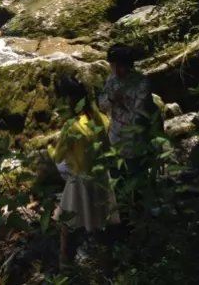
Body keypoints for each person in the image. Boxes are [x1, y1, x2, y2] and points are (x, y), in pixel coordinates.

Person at [49, 76, 119, 268]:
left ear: (70, 101)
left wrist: (49, 148)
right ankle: (107, 260)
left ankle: (64, 261)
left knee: (65, 222)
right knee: (101, 222)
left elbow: (57, 157)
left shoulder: (71, 127)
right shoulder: (102, 119)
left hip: (80, 180)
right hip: (102, 176)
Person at [98, 43, 153, 164]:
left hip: (135, 143)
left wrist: (124, 102)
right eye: (113, 66)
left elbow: (140, 115)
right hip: (115, 139)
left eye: (120, 66)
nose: (116, 70)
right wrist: (112, 99)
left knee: (137, 177)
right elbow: (101, 105)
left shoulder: (141, 83)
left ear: (129, 65)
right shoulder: (111, 80)